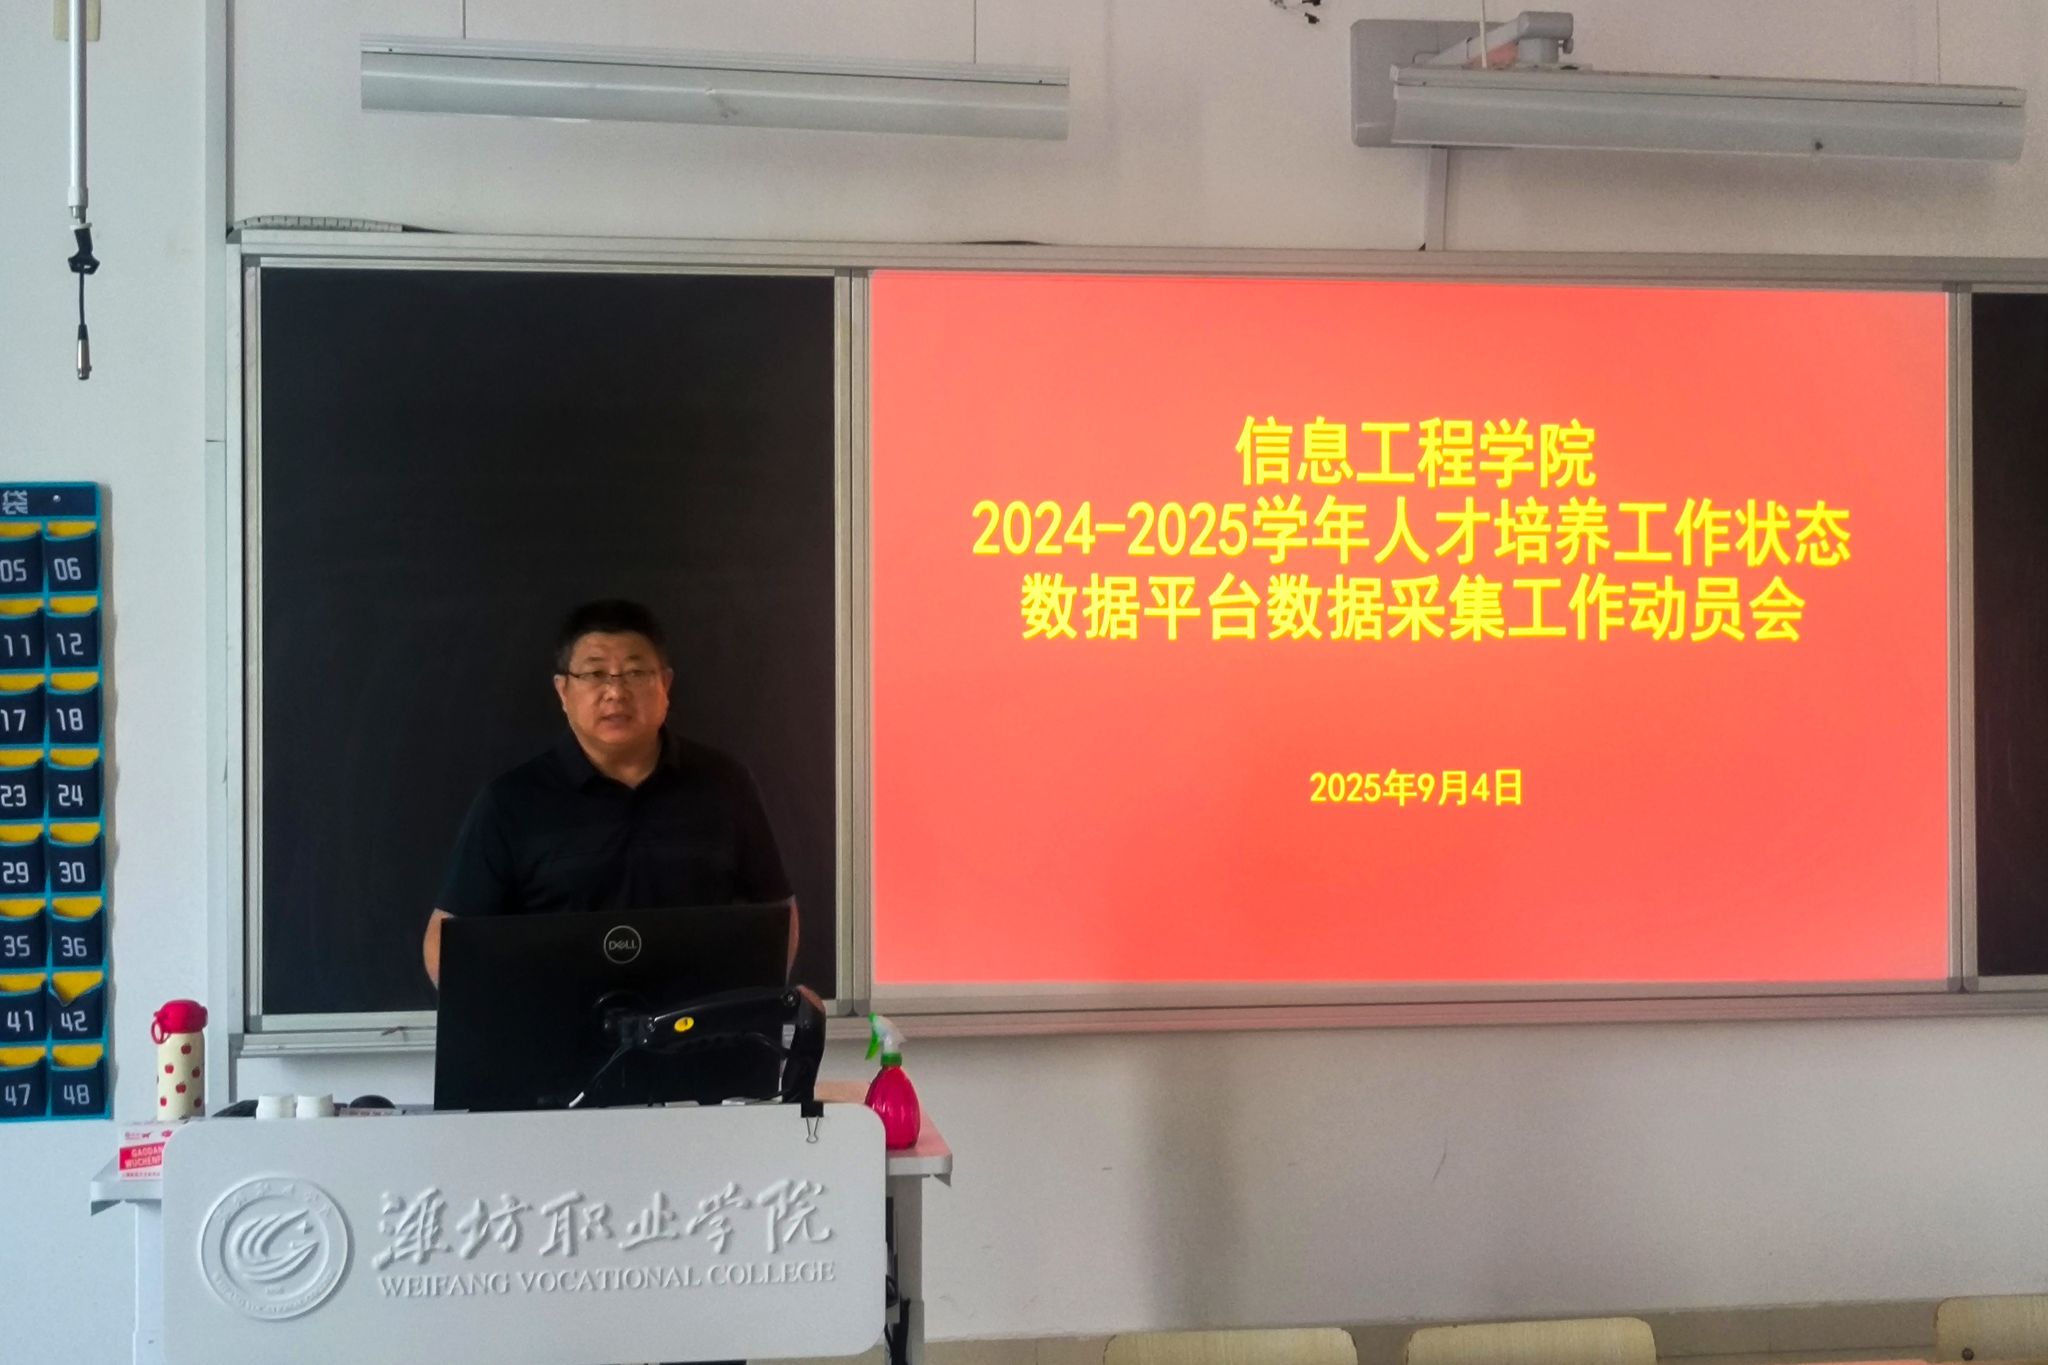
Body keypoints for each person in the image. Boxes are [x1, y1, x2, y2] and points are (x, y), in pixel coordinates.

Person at [422, 598, 792, 986]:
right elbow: (447, 943)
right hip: (559, 1022)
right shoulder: (511, 802)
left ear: (665, 685)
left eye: (635, 673)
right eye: (595, 673)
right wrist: (509, 1017)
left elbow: (778, 911)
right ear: (563, 691)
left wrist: (756, 1002)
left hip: (695, 1022)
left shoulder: (726, 785)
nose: (615, 692)